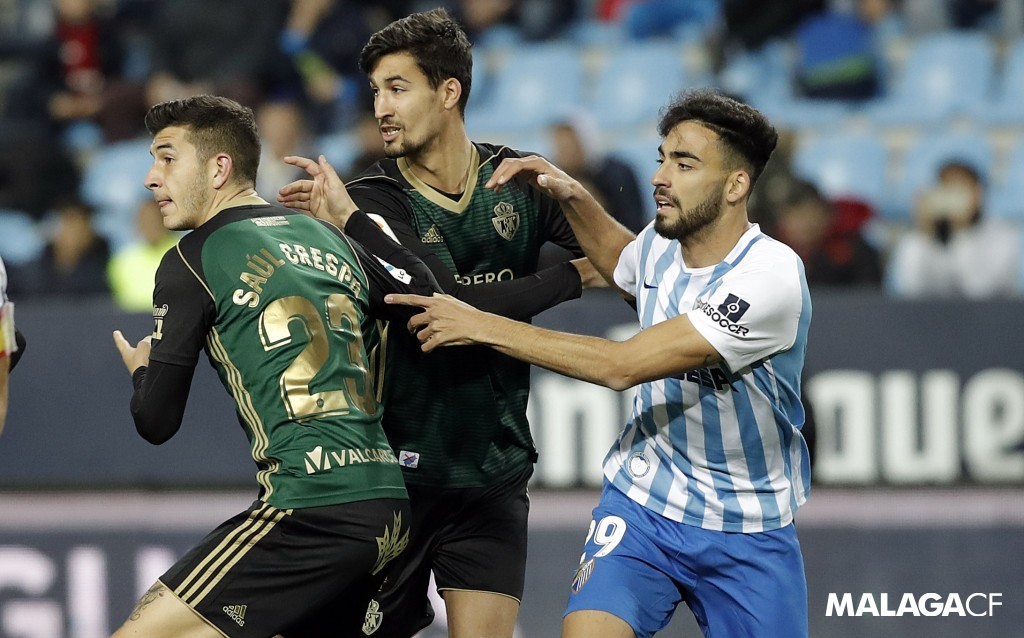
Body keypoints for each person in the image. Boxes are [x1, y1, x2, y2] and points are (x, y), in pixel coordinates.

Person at [388, 89, 813, 638]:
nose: (660, 176)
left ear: (736, 185)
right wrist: (571, 195)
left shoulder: (769, 279)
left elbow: (623, 365)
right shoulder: (662, 244)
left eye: (684, 165)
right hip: (644, 506)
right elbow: (624, 263)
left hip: (748, 525)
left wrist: (478, 324)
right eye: (662, 158)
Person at [278, 8, 596, 638]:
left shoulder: (517, 180)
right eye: (375, 91)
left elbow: (628, 262)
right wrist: (576, 276)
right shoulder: (370, 200)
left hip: (494, 471)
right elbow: (436, 299)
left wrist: (584, 221)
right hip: (397, 476)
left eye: (397, 88)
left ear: (449, 92)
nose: (381, 108)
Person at [109, 94, 442, 637]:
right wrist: (351, 219)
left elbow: (156, 421)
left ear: (219, 168)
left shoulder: (192, 258)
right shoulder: (325, 235)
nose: (151, 177)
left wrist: (143, 370)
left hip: (310, 509)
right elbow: (423, 295)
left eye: (167, 158)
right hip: (388, 506)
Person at [887, 159, 1020, 298]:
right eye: (947, 189)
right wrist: (924, 234)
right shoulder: (922, 237)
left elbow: (979, 291)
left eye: (961, 190)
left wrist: (962, 232)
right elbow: (909, 289)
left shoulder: (1003, 235)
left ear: (978, 193)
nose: (954, 198)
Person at [107, 199, 180, 311]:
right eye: (144, 221)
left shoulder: (182, 253)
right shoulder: (122, 260)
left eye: (153, 220)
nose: (149, 226)